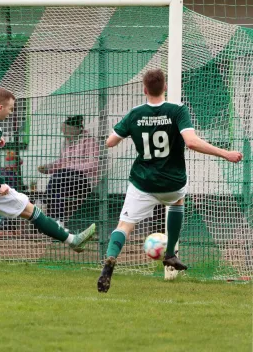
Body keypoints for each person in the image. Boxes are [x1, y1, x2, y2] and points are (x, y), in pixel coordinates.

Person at [97, 69, 243, 293]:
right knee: (177, 202)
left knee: (124, 226)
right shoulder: (177, 111)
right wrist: (225, 153)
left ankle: (109, 261)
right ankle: (170, 254)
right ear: (164, 87)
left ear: (145, 90)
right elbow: (192, 142)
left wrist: (127, 131)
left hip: (142, 183)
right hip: (172, 183)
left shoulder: (135, 113)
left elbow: (110, 142)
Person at [0, 87, 97, 285]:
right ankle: (72, 240)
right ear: (0, 107)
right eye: (10, 109)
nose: (11, 113)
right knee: (32, 211)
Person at [38, 115, 100, 224]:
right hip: (64, 179)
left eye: (66, 132)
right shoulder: (66, 143)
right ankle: (57, 221)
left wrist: (69, 167)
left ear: (73, 131)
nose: (64, 135)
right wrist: (48, 168)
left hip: (83, 180)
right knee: (59, 190)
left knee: (59, 176)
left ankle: (42, 203)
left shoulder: (89, 141)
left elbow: (93, 164)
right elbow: (61, 163)